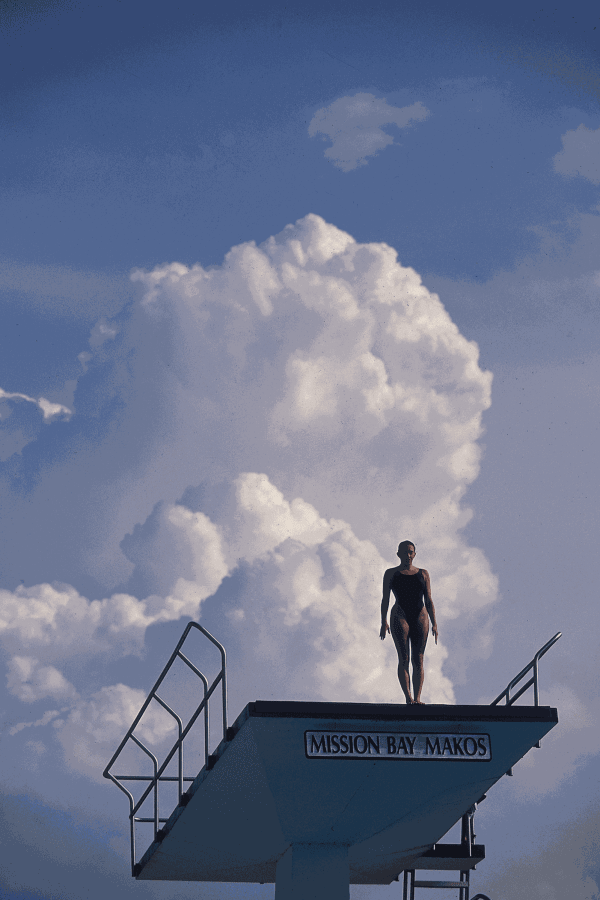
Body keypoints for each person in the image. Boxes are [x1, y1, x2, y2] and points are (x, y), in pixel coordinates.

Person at [380, 541, 438, 704]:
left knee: (418, 658)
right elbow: (385, 598)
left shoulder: (423, 573)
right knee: (404, 657)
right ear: (398, 554)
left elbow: (428, 599)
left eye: (411, 552)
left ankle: (418, 698)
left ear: (415, 554)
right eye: (405, 552)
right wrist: (383, 620)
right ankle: (408, 698)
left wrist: (434, 622)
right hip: (400, 614)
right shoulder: (391, 573)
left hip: (420, 615)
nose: (408, 555)